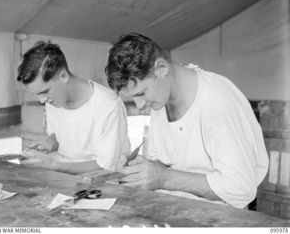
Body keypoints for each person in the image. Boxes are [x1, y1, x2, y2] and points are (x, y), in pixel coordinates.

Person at [105, 32, 269, 209]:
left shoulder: (217, 100)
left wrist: (163, 178)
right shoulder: (160, 99)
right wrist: (141, 169)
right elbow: (165, 161)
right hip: (176, 211)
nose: (139, 105)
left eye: (141, 93)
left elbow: (241, 188)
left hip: (220, 218)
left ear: (161, 68)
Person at [17, 41, 131, 175]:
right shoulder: (53, 100)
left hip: (101, 180)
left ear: (63, 77)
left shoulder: (108, 104)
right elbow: (59, 137)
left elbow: (106, 165)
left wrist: (54, 166)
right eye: (37, 94)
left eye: (44, 92)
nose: (42, 100)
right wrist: (50, 143)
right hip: (62, 175)